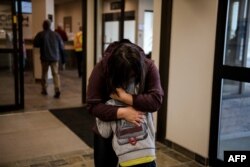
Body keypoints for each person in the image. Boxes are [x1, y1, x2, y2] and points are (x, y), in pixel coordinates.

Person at [87, 39, 164, 167]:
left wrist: (125, 97)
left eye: (133, 76)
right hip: (108, 131)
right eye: (125, 76)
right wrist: (122, 112)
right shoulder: (102, 68)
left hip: (139, 135)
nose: (129, 80)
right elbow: (92, 105)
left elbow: (156, 101)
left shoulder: (148, 66)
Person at [33, 20, 65, 98]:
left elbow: (35, 44)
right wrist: (63, 58)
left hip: (45, 58)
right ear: (50, 26)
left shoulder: (40, 34)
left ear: (43, 26)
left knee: (44, 74)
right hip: (55, 58)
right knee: (56, 74)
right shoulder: (56, 35)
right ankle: (57, 89)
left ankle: (44, 89)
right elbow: (61, 46)